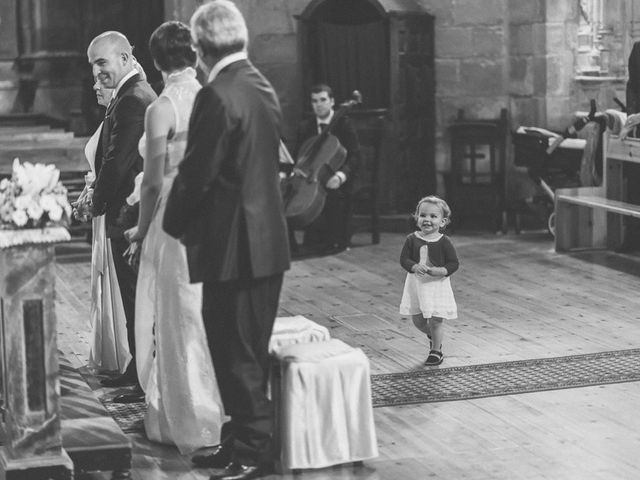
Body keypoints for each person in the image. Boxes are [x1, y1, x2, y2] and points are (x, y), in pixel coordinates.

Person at [162, 2, 290, 479]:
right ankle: (239, 439)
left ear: (198, 47)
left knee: (235, 356)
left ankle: (256, 451)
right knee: (246, 351)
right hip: (265, 242)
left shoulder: (217, 94)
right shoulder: (259, 82)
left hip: (234, 245)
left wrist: (169, 225)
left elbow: (197, 174)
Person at [123, 20, 224, 455]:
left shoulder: (161, 107)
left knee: (173, 315)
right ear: (196, 55)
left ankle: (178, 417)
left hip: (172, 219)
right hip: (213, 218)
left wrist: (140, 231)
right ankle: (216, 413)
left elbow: (152, 182)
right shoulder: (211, 97)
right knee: (206, 315)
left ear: (156, 61)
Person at [86, 31, 157, 398]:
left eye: (103, 62)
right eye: (93, 65)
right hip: (126, 211)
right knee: (132, 298)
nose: (97, 73)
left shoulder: (132, 99)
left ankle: (143, 378)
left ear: (126, 59)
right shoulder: (130, 95)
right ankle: (135, 371)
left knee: (135, 297)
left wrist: (94, 202)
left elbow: (117, 162)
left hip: (130, 214)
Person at [73, 77, 131, 375]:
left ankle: (129, 362)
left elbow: (115, 162)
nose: (95, 85)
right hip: (106, 209)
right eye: (92, 79)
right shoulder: (111, 112)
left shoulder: (128, 104)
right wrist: (89, 192)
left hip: (118, 212)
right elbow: (102, 165)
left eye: (101, 79)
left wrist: (95, 200)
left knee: (127, 295)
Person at [294, 83, 361, 254]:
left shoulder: (344, 124)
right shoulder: (305, 126)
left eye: (323, 100)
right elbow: (298, 156)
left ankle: (336, 239)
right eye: (314, 101)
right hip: (312, 176)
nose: (319, 104)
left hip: (339, 176)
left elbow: (355, 156)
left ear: (332, 102)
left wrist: (340, 176)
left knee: (333, 193)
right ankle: (293, 244)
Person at [399, 195, 459, 366]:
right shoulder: (411, 239)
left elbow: (454, 263)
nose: (427, 219)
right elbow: (404, 260)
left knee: (436, 320)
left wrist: (442, 270)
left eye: (433, 216)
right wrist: (413, 266)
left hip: (436, 286)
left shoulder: (444, 242)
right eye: (423, 215)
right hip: (416, 286)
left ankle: (436, 351)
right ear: (416, 217)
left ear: (442, 221)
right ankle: (432, 336)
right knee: (418, 320)